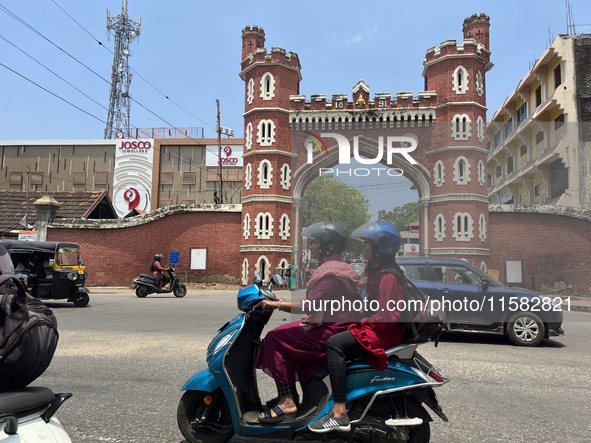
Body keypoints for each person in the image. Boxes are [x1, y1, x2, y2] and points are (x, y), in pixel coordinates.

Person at [252, 221, 362, 422]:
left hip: (333, 330)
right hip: (336, 326)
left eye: (315, 243)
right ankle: (290, 395)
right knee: (284, 333)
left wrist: (276, 306)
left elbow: (310, 306)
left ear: (327, 247)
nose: (311, 247)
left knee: (275, 338)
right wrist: (284, 302)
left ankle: (287, 401)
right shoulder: (338, 268)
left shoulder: (332, 273)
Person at [309, 222, 406, 433]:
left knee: (334, 344)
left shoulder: (388, 276)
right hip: (380, 328)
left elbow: (386, 317)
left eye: (367, 243)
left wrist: (361, 321)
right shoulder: (376, 271)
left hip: (386, 332)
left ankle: (339, 411)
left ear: (381, 248)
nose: (362, 246)